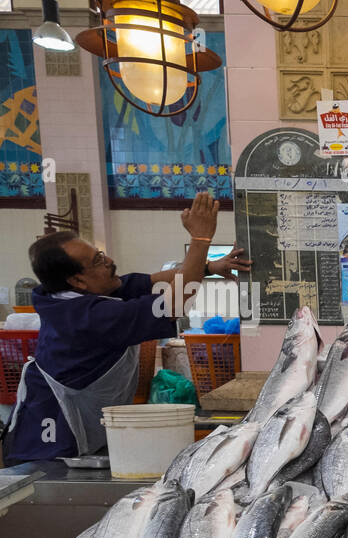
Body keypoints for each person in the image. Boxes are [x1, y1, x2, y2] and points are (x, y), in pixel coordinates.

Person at [3, 193, 250, 464]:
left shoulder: (76, 294)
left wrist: (210, 266)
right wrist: (201, 239)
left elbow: (155, 280)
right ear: (77, 280)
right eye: (97, 261)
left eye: (99, 254)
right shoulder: (91, 318)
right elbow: (178, 299)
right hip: (48, 443)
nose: (108, 260)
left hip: (83, 430)